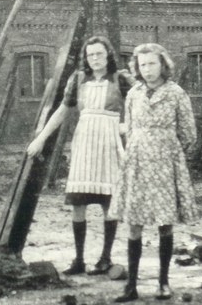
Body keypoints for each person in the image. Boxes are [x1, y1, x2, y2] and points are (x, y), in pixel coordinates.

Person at [27, 36, 132, 276]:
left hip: (109, 143)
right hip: (85, 143)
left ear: (108, 56)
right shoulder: (78, 79)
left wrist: (128, 127)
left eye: (99, 54)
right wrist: (41, 138)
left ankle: (105, 259)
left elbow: (138, 103)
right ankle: (79, 260)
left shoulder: (120, 79)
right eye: (90, 55)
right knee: (78, 203)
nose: (94, 59)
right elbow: (63, 111)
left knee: (109, 203)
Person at [111, 43, 197, 303]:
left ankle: (163, 283)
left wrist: (166, 150)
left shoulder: (176, 93)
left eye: (152, 64)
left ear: (163, 65)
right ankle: (131, 286)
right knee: (134, 224)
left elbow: (189, 134)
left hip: (164, 164)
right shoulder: (134, 94)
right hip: (137, 163)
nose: (147, 69)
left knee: (164, 223)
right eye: (142, 64)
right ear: (136, 67)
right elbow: (129, 127)